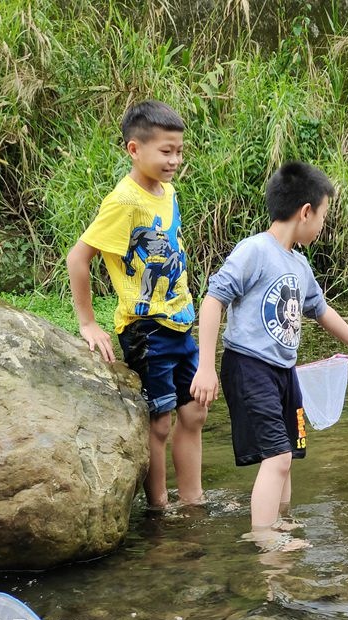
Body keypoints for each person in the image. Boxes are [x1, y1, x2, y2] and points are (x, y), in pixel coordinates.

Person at [190, 161, 348, 551]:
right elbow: (214, 300)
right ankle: (264, 540)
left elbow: (321, 311)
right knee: (276, 456)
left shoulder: (299, 263)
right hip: (248, 366)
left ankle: (282, 524)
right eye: (323, 217)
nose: (323, 227)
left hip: (283, 370)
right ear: (306, 211)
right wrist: (206, 367)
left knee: (288, 455)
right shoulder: (255, 251)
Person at [67, 100, 206, 511]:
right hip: (147, 329)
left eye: (179, 151)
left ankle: (194, 499)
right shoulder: (123, 201)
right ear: (134, 149)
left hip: (181, 322)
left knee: (194, 412)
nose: (175, 160)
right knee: (160, 420)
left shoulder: (168, 193)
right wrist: (87, 322)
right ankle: (160, 507)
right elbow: (79, 257)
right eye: (166, 151)